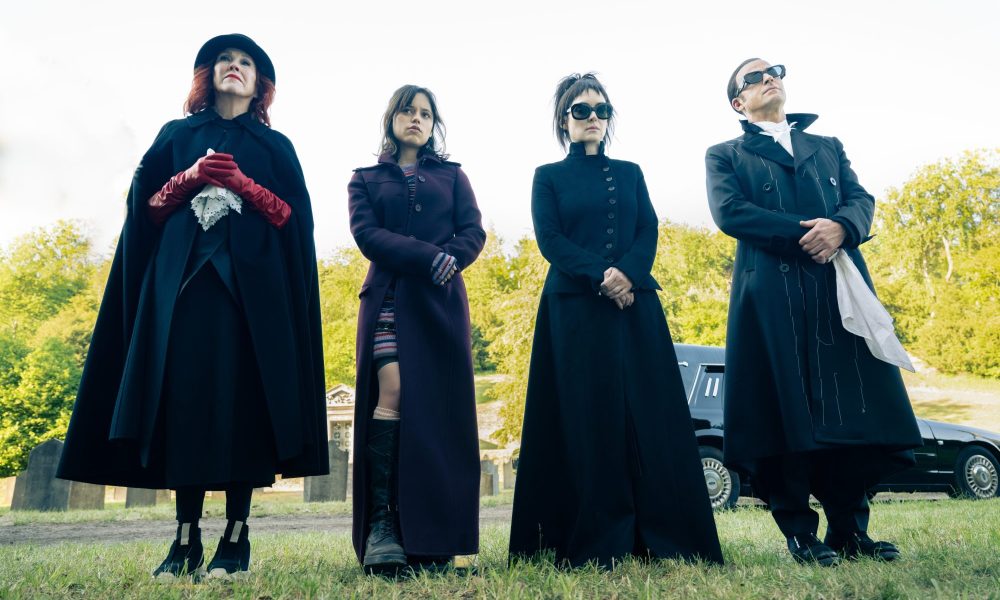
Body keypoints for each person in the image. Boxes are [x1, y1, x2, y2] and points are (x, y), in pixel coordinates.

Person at [56, 33, 328, 580]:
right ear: (208, 74)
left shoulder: (277, 148)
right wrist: (189, 177)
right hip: (182, 293)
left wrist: (245, 185)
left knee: (244, 406)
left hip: (254, 302)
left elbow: (292, 221)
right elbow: (146, 209)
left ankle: (237, 534)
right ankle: (184, 538)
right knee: (185, 407)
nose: (235, 66)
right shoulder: (177, 135)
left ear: (260, 84)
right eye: (225, 59)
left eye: (246, 62)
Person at [705, 58, 922, 565]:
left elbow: (860, 198)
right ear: (739, 103)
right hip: (772, 298)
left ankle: (850, 530)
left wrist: (843, 228)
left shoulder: (828, 147)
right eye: (754, 77)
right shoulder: (725, 153)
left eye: (773, 70)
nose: (768, 78)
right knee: (785, 414)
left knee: (851, 408)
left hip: (837, 291)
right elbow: (730, 212)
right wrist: (809, 235)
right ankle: (800, 532)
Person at [508, 73, 724, 568]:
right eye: (581, 110)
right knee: (587, 417)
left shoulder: (630, 172)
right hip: (575, 311)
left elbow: (648, 228)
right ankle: (594, 537)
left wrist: (627, 274)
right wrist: (601, 275)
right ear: (565, 120)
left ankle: (660, 534)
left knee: (649, 416)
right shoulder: (548, 175)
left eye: (601, 110)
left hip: (635, 307)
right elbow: (551, 239)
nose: (593, 118)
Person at [347, 85, 486, 575]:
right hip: (387, 298)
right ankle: (383, 525)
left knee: (434, 410)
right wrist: (430, 257)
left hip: (440, 304)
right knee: (395, 389)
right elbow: (367, 235)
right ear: (392, 119)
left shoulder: (453, 176)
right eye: (408, 110)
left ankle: (431, 536)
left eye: (425, 113)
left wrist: (452, 259)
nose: (416, 119)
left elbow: (473, 231)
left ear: (433, 125)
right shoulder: (364, 178)